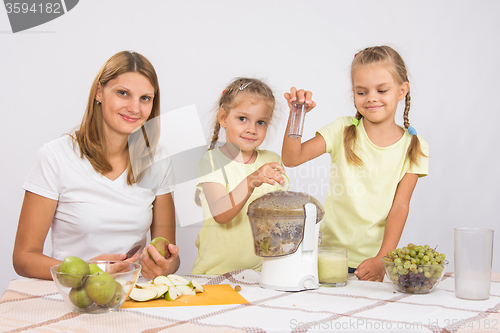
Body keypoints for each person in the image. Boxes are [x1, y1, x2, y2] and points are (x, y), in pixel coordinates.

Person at [13, 51, 180, 280]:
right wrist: (86, 272)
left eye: (145, 98)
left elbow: (168, 254)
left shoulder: (158, 159)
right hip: (72, 296)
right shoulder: (54, 157)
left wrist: (164, 265)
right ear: (99, 93)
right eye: (123, 93)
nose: (134, 108)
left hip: (129, 295)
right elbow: (24, 257)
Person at [282, 46, 429, 282]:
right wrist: (297, 115)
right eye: (361, 92)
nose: (371, 97)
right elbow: (292, 158)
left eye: (382, 90)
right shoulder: (342, 130)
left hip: (372, 265)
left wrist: (383, 259)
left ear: (402, 90)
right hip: (329, 258)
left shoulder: (414, 146)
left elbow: (400, 207)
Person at [191, 77, 286, 275]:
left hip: (261, 274)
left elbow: (282, 218)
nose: (252, 129)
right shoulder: (212, 161)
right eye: (242, 119)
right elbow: (221, 213)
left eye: (261, 122)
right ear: (223, 118)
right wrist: (252, 180)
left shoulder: (272, 161)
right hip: (213, 274)